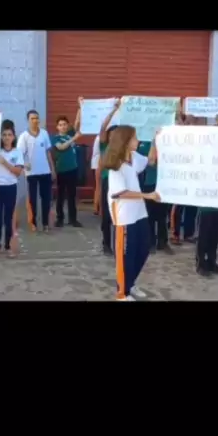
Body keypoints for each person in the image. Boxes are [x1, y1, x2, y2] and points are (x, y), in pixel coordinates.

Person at [104, 125, 160, 302]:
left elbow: (150, 161)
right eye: (135, 138)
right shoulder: (116, 166)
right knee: (126, 256)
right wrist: (147, 195)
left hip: (139, 213)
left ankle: (130, 283)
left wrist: (155, 141)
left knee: (144, 249)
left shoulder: (133, 157)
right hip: (124, 217)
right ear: (126, 141)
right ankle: (122, 293)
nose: (137, 140)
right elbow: (120, 193)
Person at [0, 123, 24, 258]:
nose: (7, 137)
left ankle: (8, 246)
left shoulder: (17, 152)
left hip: (10, 187)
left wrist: (5, 163)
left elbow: (18, 172)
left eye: (9, 135)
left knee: (8, 217)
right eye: (4, 135)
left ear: (13, 137)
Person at [17, 110, 56, 233]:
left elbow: (48, 152)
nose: (35, 120)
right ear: (28, 120)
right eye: (32, 118)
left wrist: (52, 169)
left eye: (37, 118)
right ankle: (33, 222)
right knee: (32, 200)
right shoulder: (24, 136)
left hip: (45, 171)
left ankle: (45, 223)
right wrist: (24, 164)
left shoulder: (44, 133)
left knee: (46, 199)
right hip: (31, 173)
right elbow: (19, 154)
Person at [51, 101, 82, 228]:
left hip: (73, 169)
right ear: (57, 127)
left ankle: (73, 219)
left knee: (72, 195)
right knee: (60, 195)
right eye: (60, 125)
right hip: (61, 170)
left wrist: (80, 107)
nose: (63, 127)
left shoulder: (69, 134)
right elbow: (61, 147)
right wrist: (74, 138)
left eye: (64, 124)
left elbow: (77, 122)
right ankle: (60, 219)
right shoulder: (55, 138)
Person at [98, 99, 121, 255]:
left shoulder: (123, 148)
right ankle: (106, 243)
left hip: (120, 183)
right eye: (111, 134)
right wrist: (114, 110)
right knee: (107, 214)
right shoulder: (104, 146)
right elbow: (102, 128)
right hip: (108, 181)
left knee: (119, 214)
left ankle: (118, 243)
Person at [91, 134, 101, 215]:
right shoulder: (101, 137)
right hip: (99, 163)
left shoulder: (98, 137)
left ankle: (96, 207)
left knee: (98, 187)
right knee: (99, 186)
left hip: (96, 163)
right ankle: (98, 208)